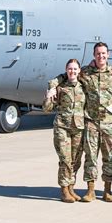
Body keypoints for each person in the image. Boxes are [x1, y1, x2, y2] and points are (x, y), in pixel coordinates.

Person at [48, 42, 112, 203]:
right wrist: (52, 86)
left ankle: (108, 191)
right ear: (94, 55)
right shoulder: (85, 72)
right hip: (91, 122)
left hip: (110, 122)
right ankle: (90, 191)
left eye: (103, 53)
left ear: (108, 54)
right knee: (90, 157)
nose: (101, 56)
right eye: (98, 53)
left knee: (110, 156)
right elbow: (66, 75)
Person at [43, 59, 86, 203]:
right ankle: (64, 189)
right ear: (66, 70)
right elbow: (47, 109)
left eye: (75, 69)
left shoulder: (83, 86)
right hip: (62, 127)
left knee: (75, 160)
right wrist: (49, 96)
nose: (72, 71)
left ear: (79, 71)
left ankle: (71, 187)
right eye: (70, 69)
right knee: (65, 159)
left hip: (78, 128)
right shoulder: (60, 87)